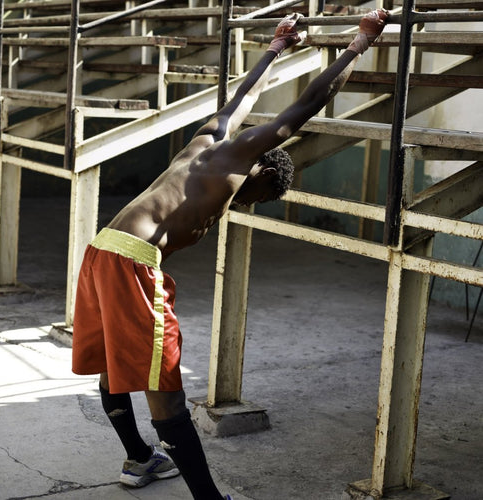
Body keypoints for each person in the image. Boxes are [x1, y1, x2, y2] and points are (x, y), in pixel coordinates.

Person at [71, 9, 388, 500]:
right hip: (131, 261)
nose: (246, 203)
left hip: (104, 248)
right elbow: (306, 103)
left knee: (117, 363)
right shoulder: (241, 156)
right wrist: (360, 42)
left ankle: (139, 459)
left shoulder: (206, 139)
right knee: (165, 385)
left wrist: (278, 46)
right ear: (263, 173)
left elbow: (243, 97)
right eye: (258, 196)